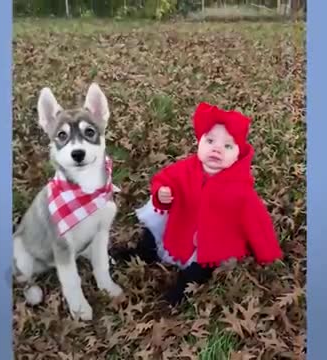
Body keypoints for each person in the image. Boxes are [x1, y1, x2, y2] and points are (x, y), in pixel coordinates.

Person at [111, 102, 283, 305]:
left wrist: (266, 251)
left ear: (238, 154)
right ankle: (144, 252)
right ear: (199, 142)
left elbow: (256, 220)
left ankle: (182, 289)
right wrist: (162, 193)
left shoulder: (240, 188)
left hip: (207, 238)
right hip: (180, 223)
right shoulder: (186, 168)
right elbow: (165, 179)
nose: (216, 150)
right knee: (154, 226)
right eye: (210, 141)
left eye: (227, 146)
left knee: (203, 264)